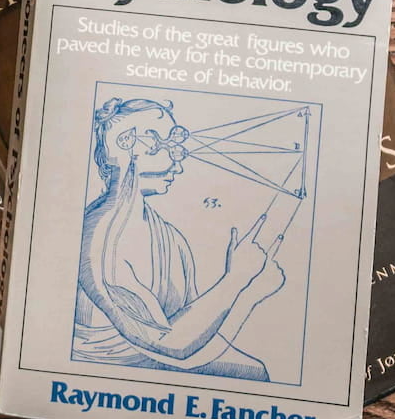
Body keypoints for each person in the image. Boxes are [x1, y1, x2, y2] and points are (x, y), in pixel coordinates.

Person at [72, 97, 283, 379]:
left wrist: (249, 292)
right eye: (170, 147)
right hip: (111, 371)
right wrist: (238, 280)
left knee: (255, 371)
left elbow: (196, 334)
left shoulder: (169, 236)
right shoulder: (99, 238)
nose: (178, 165)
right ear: (127, 142)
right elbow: (171, 345)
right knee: (253, 374)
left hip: (162, 357)